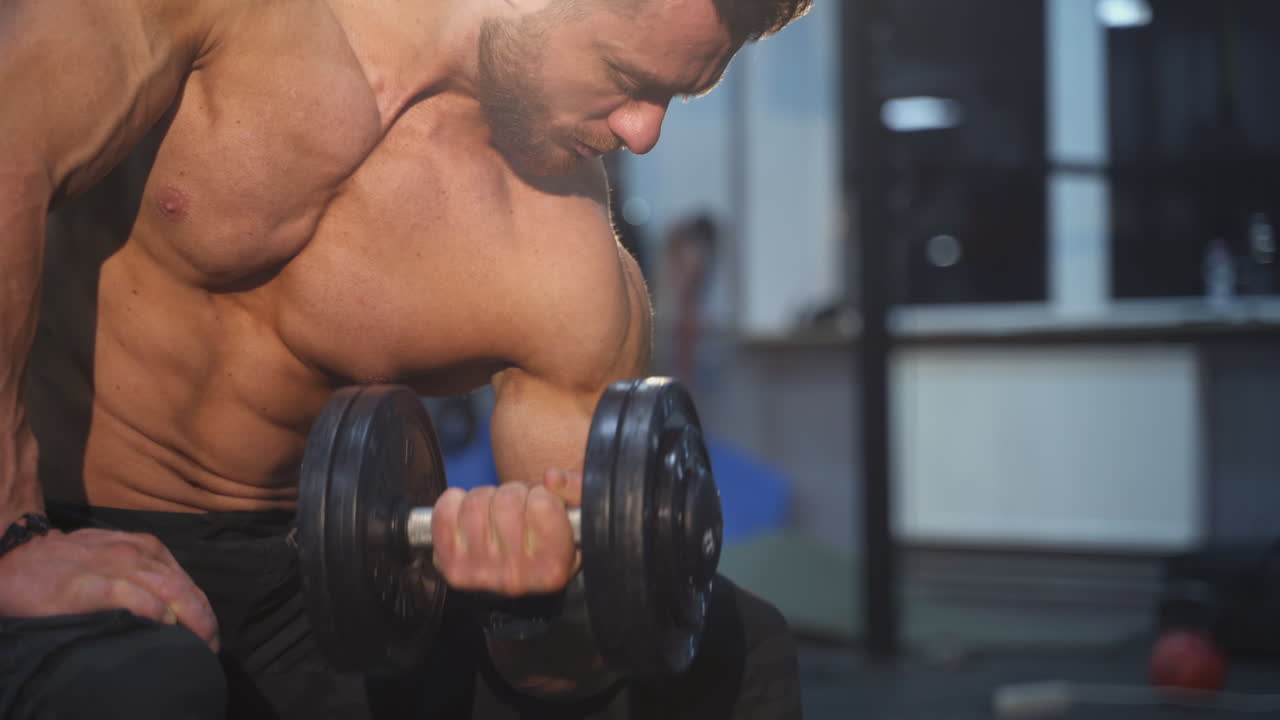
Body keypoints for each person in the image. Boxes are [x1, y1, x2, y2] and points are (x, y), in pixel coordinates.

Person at [0, 0, 811, 717]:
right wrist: (12, 537)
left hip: (322, 576)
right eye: (628, 77)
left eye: (673, 98)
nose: (644, 132)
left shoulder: (561, 258)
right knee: (141, 689)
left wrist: (534, 606)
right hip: (53, 523)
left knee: (741, 659)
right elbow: (11, 145)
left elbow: (559, 667)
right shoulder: (222, 15)